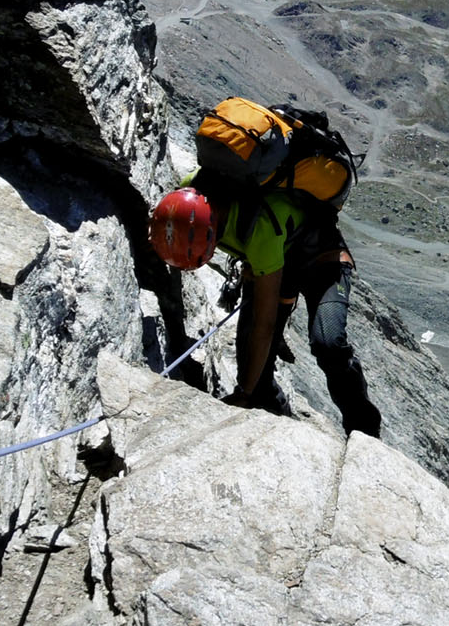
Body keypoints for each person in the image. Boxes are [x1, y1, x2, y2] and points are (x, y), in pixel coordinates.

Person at [148, 176, 382, 438]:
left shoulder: (260, 229)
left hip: (323, 261)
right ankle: (275, 423)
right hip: (272, 261)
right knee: (255, 376)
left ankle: (365, 431)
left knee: (328, 342)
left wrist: (243, 393)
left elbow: (265, 324)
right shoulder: (194, 187)